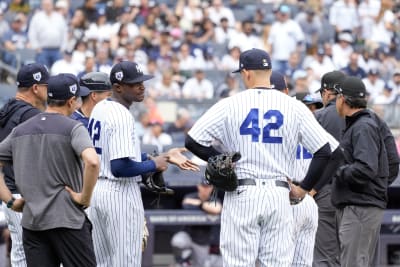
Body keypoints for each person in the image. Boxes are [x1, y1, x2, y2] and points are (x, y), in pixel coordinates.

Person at [185, 48, 338, 267]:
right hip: (280, 194)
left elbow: (192, 141)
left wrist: (221, 159)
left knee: (239, 263)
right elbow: (325, 152)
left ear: (246, 73)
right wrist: (304, 189)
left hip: (242, 190)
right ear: (269, 71)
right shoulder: (294, 106)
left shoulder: (230, 103)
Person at [87, 61, 199, 267]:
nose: (141, 87)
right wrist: (154, 165)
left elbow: (115, 155)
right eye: (134, 83)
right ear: (118, 87)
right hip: (118, 193)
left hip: (97, 192)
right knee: (125, 262)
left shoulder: (100, 107)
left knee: (101, 262)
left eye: (142, 82)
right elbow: (120, 168)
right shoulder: (121, 115)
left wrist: (154, 158)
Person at [0, 73, 100, 266]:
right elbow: (93, 162)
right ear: (71, 101)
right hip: (68, 220)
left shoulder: (20, 130)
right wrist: (85, 197)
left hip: (33, 223)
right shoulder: (74, 127)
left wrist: (10, 201)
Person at [331, 76, 398, 266]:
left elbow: (366, 168)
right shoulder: (368, 123)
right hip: (363, 204)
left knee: (353, 263)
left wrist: (338, 172)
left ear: (343, 99)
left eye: (337, 97)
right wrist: (377, 188)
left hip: (360, 206)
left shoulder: (362, 126)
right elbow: (392, 162)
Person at [0, 63, 49, 267]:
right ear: (36, 88)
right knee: (35, 252)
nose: (49, 90)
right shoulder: (31, 116)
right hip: (26, 196)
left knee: (20, 251)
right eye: (46, 85)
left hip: (9, 194)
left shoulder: (6, 109)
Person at [312, 70, 346, 267]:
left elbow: (311, 158)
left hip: (325, 190)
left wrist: (312, 187)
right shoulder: (365, 115)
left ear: (326, 92)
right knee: (353, 255)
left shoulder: (319, 116)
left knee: (325, 255)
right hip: (357, 192)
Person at [170, 178, 222, 267]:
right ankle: (182, 261)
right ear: (199, 186)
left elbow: (217, 209)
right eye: (203, 186)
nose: (205, 189)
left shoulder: (214, 199)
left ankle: (188, 261)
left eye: (208, 187)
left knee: (202, 264)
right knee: (178, 241)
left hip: (203, 242)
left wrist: (199, 204)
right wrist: (206, 208)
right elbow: (186, 202)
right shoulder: (190, 196)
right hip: (188, 237)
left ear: (212, 188)